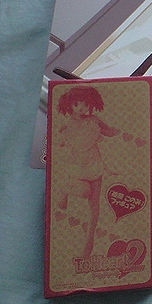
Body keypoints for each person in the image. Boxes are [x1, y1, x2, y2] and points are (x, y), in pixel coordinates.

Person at [54, 85, 121, 258]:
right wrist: (62, 139)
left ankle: (89, 243)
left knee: (94, 206)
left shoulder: (94, 120)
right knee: (85, 191)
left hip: (94, 165)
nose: (81, 108)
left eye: (85, 104)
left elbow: (108, 131)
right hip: (77, 166)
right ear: (70, 105)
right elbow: (58, 142)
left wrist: (119, 132)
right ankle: (64, 190)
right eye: (77, 104)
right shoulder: (68, 124)